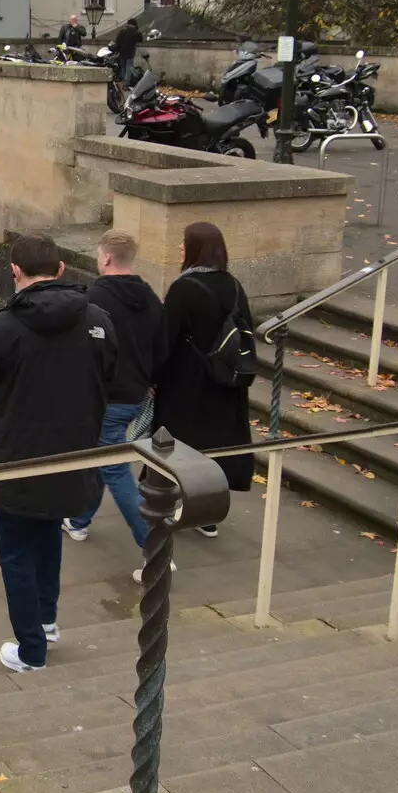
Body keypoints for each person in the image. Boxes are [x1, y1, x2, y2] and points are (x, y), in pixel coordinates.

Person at [0, 232, 117, 672]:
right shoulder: (97, 319)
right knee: (47, 537)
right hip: (74, 454)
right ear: (61, 269)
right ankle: (45, 621)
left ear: (14, 272)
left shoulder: (2, 327)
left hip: (17, 456)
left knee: (16, 553)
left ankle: (30, 650)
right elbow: (113, 373)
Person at [63, 230, 169, 559]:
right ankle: (78, 519)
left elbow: (80, 351)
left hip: (105, 395)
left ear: (106, 257)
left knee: (113, 467)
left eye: (99, 253)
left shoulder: (93, 299)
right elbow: (162, 348)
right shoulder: (151, 298)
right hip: (135, 394)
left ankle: (154, 543)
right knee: (101, 456)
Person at [153, 221, 254, 552]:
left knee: (178, 444)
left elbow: (165, 340)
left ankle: (172, 503)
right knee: (215, 446)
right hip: (225, 382)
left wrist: (151, 377)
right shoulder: (234, 285)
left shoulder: (184, 288)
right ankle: (207, 515)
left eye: (185, 244)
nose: (180, 249)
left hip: (187, 382)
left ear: (196, 249)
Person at [114, 17, 143, 85]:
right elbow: (140, 39)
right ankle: (126, 82)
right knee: (129, 67)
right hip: (130, 52)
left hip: (121, 52)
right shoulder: (134, 31)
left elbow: (117, 40)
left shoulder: (122, 30)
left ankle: (122, 81)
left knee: (123, 66)